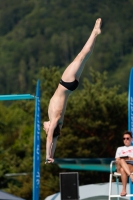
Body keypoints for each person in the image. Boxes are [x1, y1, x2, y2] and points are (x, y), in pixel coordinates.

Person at [43, 18, 102, 164]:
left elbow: (54, 140)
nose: (44, 128)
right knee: (81, 55)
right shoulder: (55, 119)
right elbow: (50, 138)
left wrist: (52, 155)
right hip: (65, 83)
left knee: (85, 57)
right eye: (45, 130)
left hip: (71, 86)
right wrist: (47, 155)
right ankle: (94, 32)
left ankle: (95, 34)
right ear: (51, 128)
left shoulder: (58, 123)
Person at [115, 130, 133, 196]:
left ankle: (124, 190)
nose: (126, 140)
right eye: (124, 138)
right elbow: (117, 159)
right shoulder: (119, 148)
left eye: (127, 138)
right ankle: (131, 176)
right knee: (121, 160)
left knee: (123, 170)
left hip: (130, 165)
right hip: (120, 165)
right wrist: (123, 159)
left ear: (131, 139)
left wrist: (130, 158)